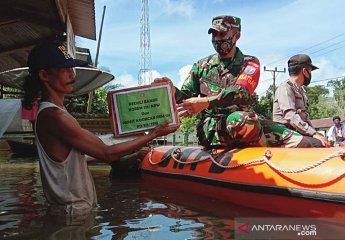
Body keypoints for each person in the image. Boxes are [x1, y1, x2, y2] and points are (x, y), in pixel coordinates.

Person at [22, 42, 178, 216]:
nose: (71, 73)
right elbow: (107, 153)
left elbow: (86, 154)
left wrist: (135, 138)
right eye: (64, 69)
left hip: (73, 209)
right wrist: (155, 133)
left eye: (71, 68)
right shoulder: (54, 116)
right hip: (72, 212)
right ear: (44, 75)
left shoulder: (56, 112)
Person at [158, 15, 307, 149]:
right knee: (243, 120)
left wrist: (206, 102)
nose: (217, 39)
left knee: (301, 140)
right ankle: (263, 157)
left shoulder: (249, 63)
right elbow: (186, 97)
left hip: (249, 121)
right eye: (214, 34)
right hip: (212, 127)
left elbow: (240, 92)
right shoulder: (202, 65)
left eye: (222, 34)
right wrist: (171, 90)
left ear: (237, 36)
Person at [273, 54, 330, 147]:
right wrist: (313, 134)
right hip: (284, 132)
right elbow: (290, 116)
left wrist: (315, 133)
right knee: (318, 144)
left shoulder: (301, 91)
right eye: (310, 71)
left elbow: (305, 118)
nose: (311, 74)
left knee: (325, 141)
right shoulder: (285, 88)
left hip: (298, 131)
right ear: (304, 71)